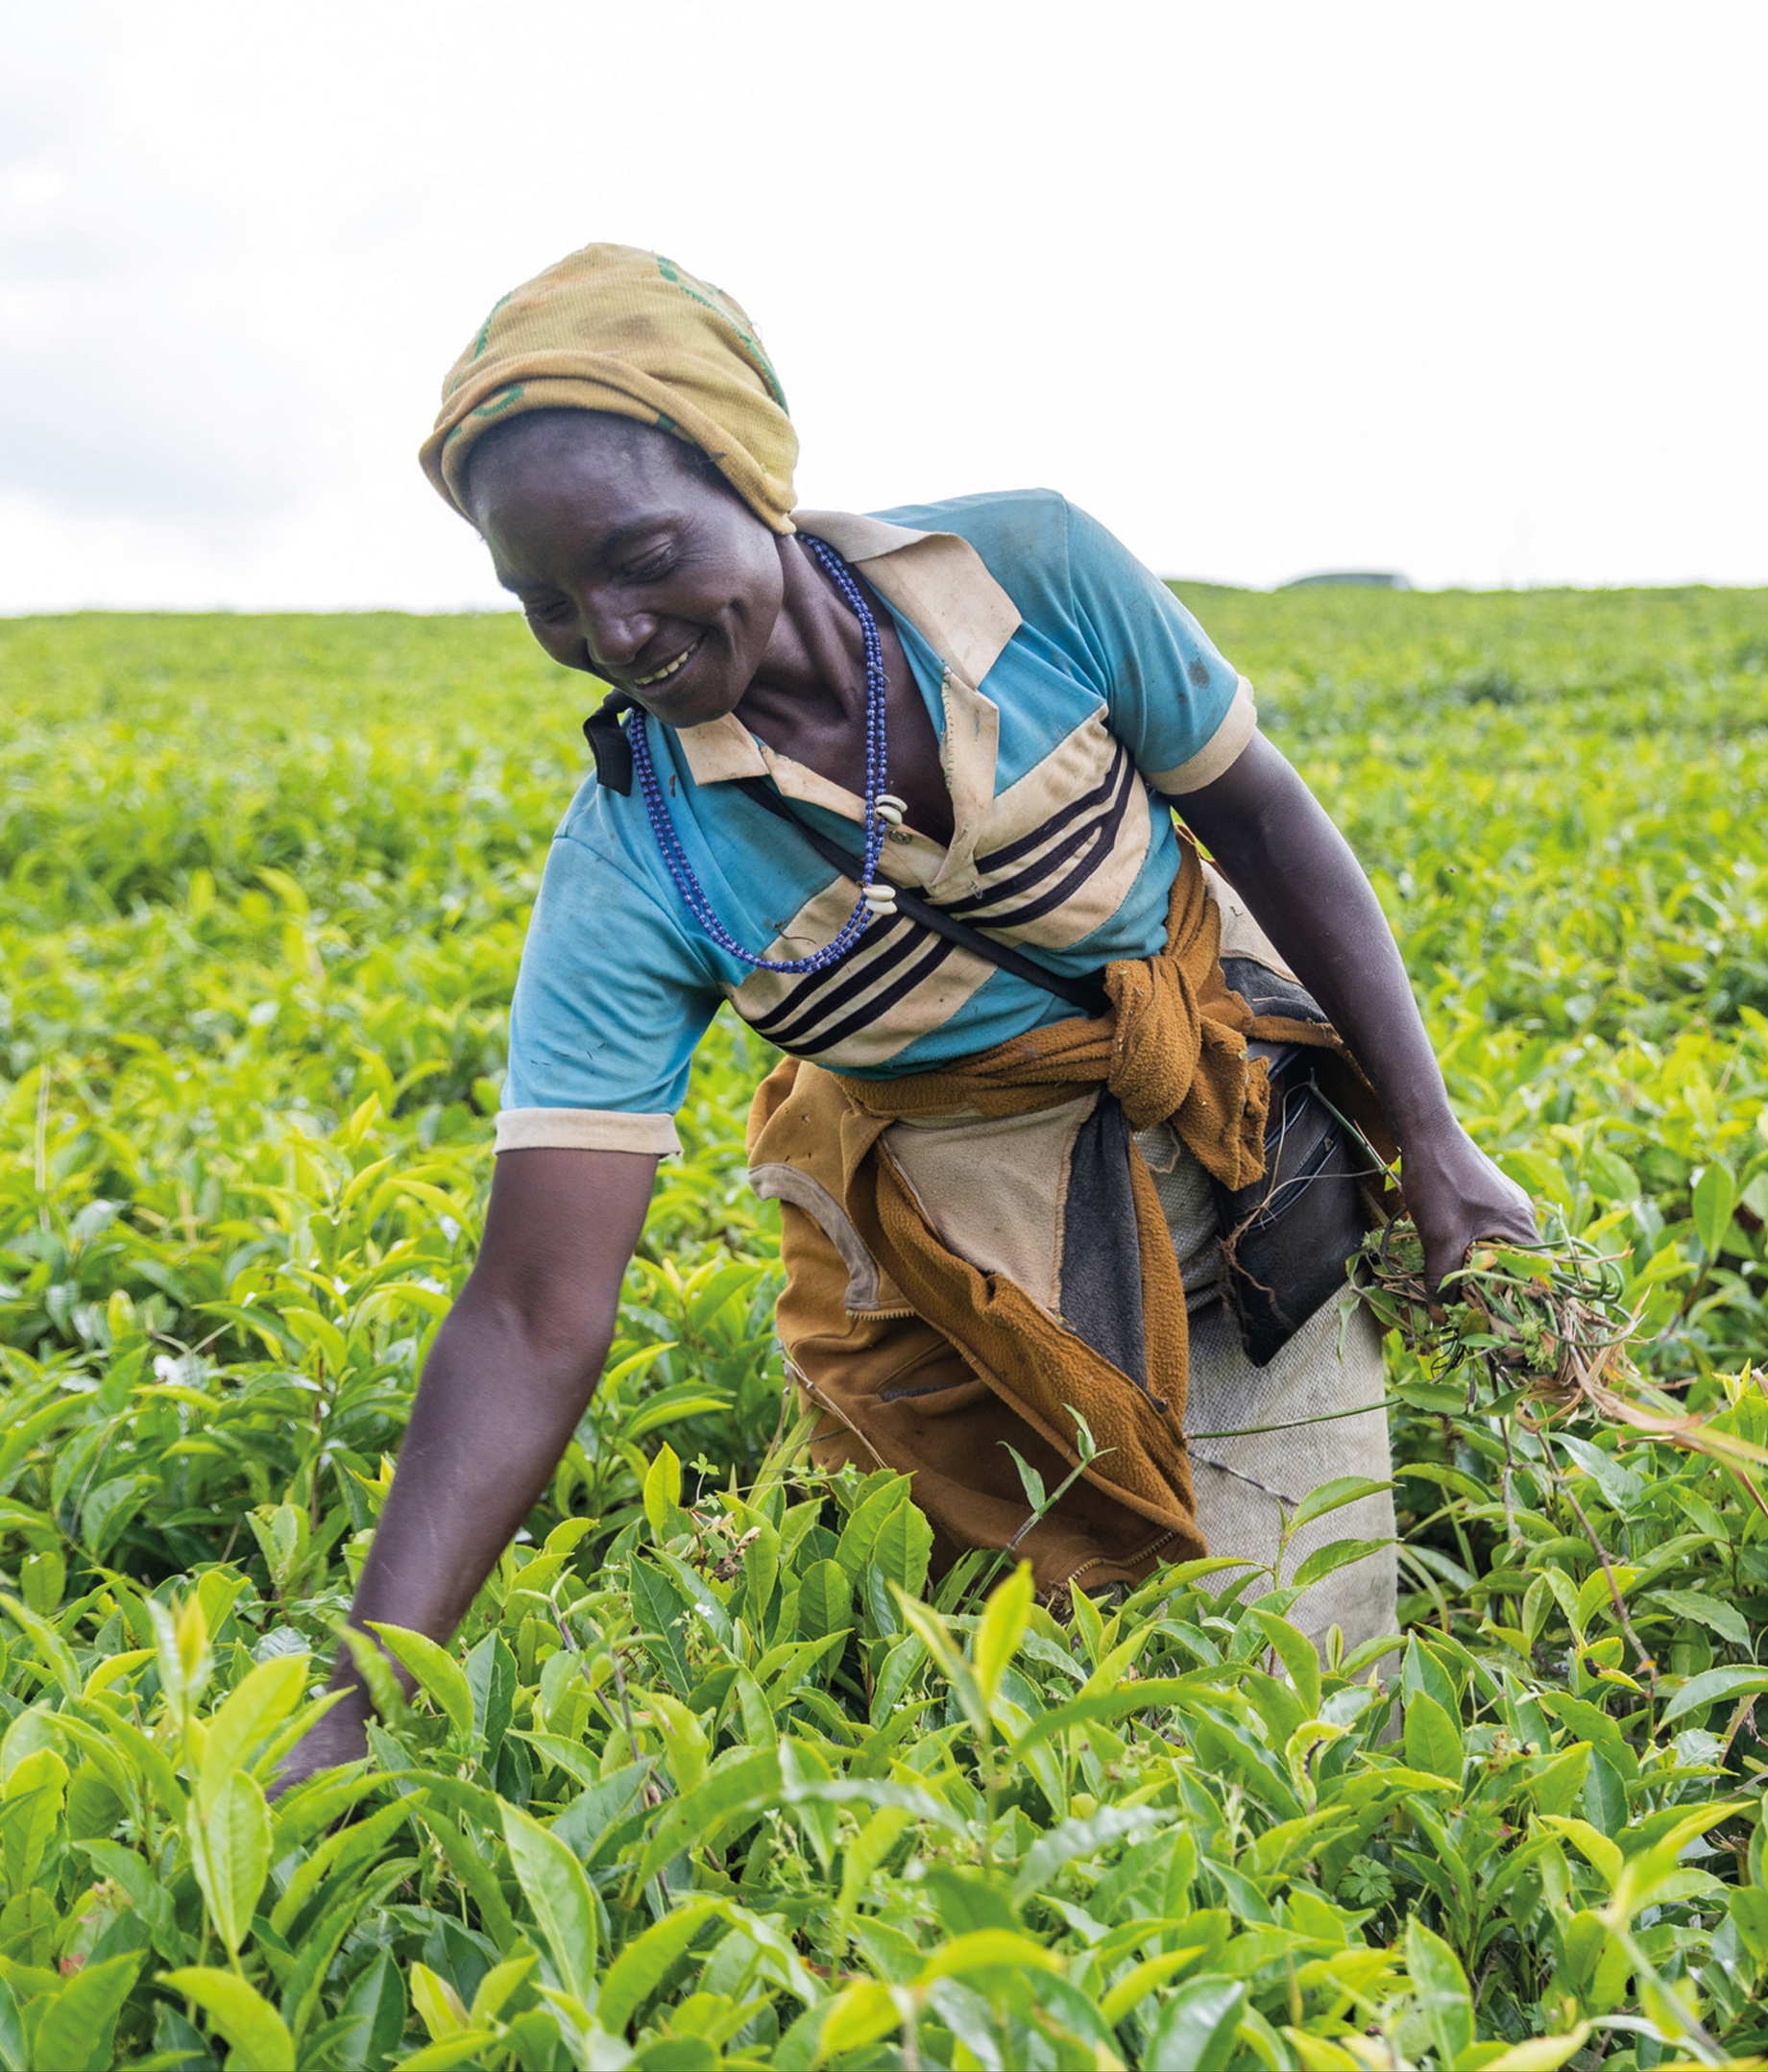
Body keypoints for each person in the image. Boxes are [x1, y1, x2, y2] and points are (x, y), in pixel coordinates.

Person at [280, 244, 1533, 1782]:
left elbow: (1268, 825)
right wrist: (359, 1695)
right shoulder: (637, 855)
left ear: (757, 476)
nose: (612, 633)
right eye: (545, 600)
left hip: (1256, 1189)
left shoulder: (1035, 572)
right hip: (981, 1310)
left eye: (643, 553)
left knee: (1319, 1715)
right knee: (1057, 1748)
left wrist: (1432, 1132)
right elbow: (536, 1308)